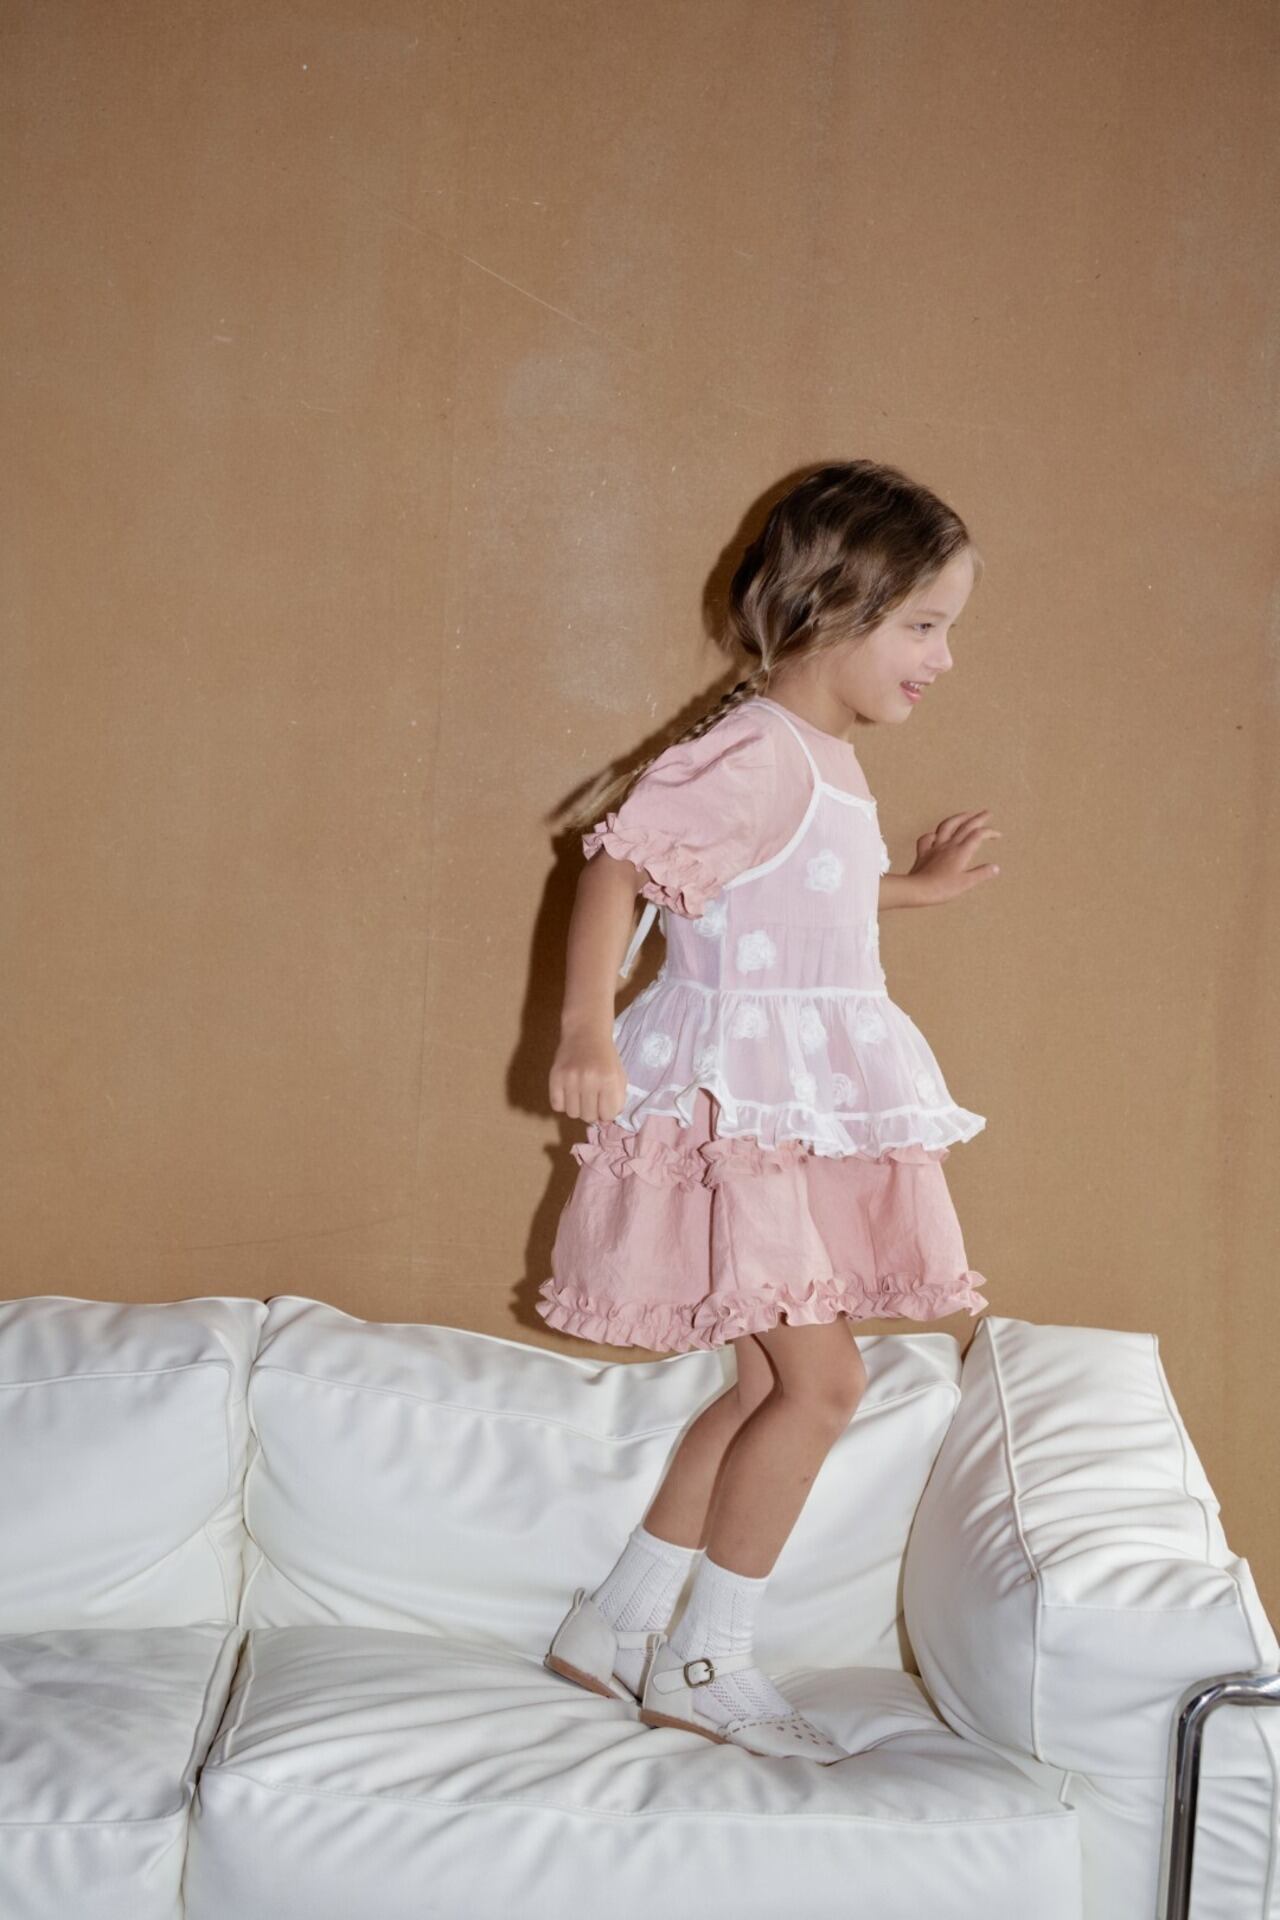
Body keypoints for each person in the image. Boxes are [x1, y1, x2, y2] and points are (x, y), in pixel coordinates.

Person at [539, 460, 1003, 1761]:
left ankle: (611, 1622)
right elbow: (620, 868)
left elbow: (795, 891)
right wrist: (583, 1029)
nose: (944, 658)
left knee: (764, 1386)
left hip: (779, 1107)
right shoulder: (752, 750)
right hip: (734, 1104)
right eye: (924, 626)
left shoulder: (820, 760)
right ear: (836, 609)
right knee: (825, 1384)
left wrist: (914, 890)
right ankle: (708, 1661)